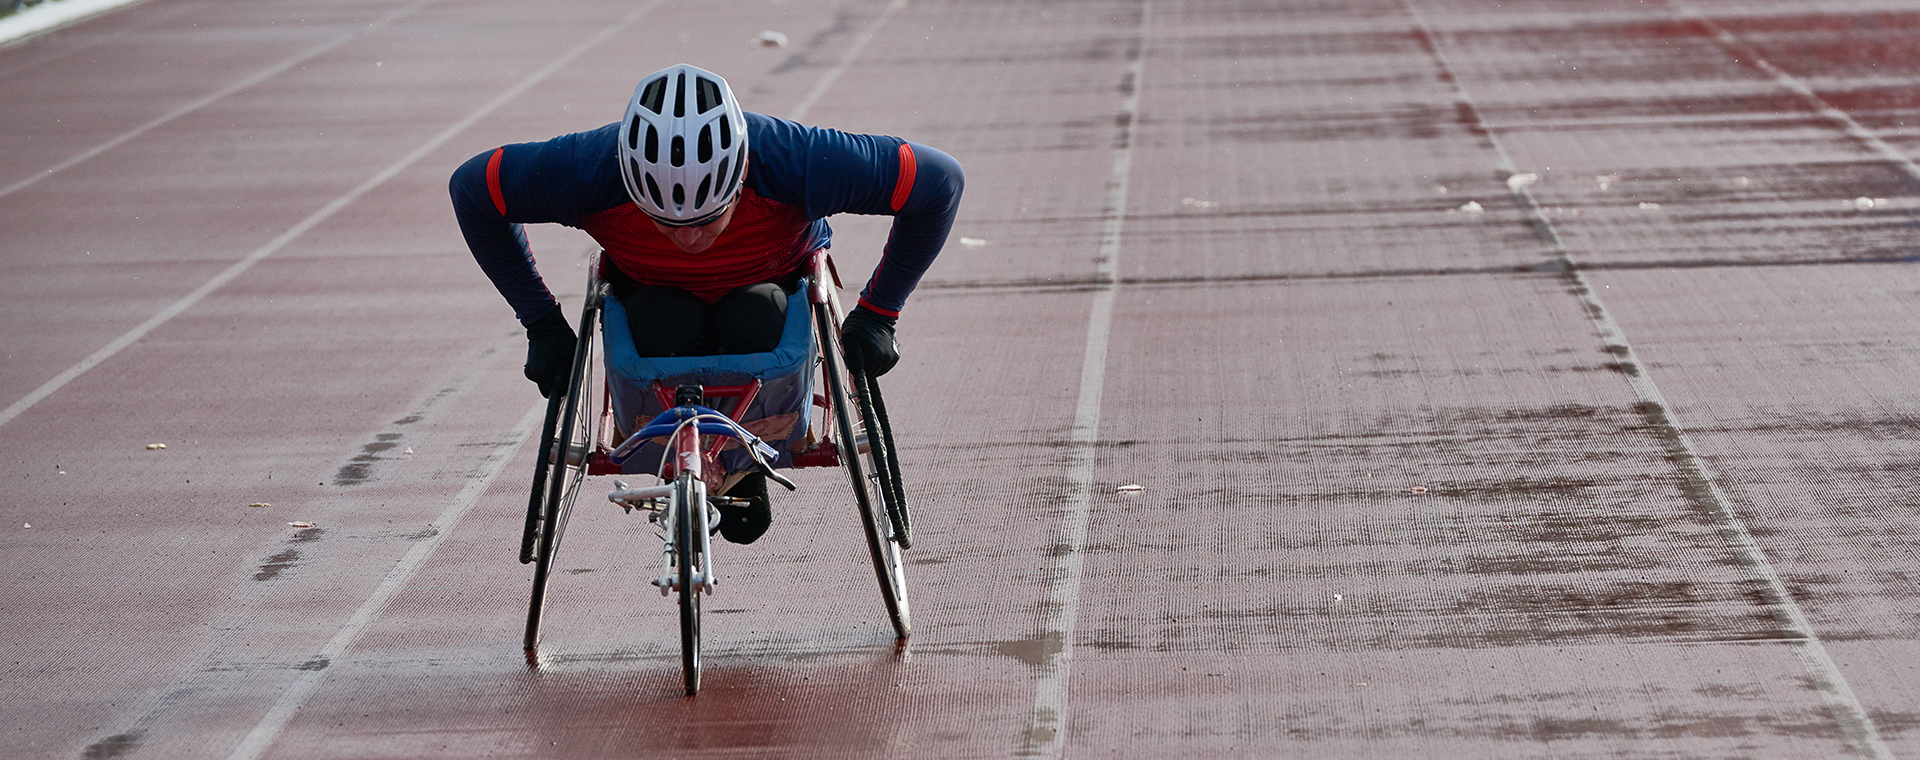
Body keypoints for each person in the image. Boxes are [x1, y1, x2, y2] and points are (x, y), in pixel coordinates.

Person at [450, 63, 963, 544]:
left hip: (769, 291)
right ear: (629, 183)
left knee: (754, 312)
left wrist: (879, 313)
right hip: (652, 298)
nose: (691, 240)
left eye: (708, 219)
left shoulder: (796, 160)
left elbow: (939, 182)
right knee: (660, 319)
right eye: (667, 222)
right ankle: (685, 452)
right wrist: (540, 322)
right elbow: (472, 191)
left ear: (740, 178)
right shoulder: (585, 170)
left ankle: (742, 463)